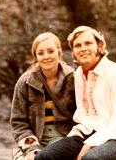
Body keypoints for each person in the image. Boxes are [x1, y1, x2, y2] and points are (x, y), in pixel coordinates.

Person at [35, 25, 116, 160]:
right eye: (78, 45)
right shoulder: (78, 75)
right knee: (45, 156)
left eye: (88, 43)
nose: (83, 48)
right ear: (73, 52)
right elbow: (83, 117)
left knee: (90, 159)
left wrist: (90, 144)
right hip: (85, 134)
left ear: (99, 47)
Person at [10, 32, 76, 160]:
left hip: (64, 138)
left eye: (51, 51)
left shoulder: (73, 78)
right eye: (40, 53)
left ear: (59, 52)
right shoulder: (25, 82)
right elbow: (18, 121)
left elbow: (82, 115)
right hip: (35, 138)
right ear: (36, 56)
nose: (46, 57)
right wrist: (31, 147)